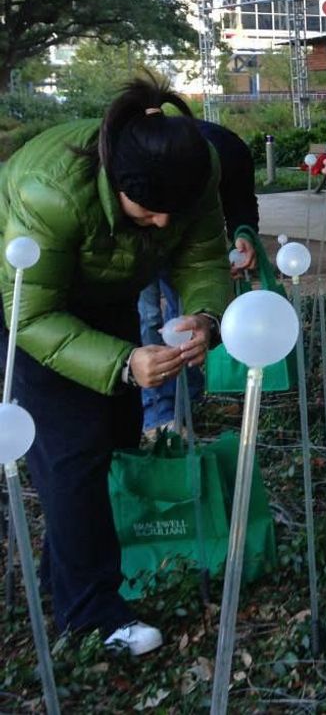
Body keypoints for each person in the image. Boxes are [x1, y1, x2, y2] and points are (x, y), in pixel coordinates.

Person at [0, 74, 233, 655]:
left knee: (116, 431)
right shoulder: (50, 191)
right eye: (149, 211)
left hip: (102, 289)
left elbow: (202, 256)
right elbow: (32, 316)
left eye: (172, 212)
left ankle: (64, 574)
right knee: (71, 448)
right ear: (117, 183)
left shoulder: (192, 167)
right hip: (24, 299)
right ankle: (90, 614)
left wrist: (204, 316)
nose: (164, 224)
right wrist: (125, 363)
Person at [139, 119, 259, 432]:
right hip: (142, 240)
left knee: (189, 320)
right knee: (148, 317)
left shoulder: (232, 153)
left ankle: (189, 399)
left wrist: (242, 235)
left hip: (189, 247)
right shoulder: (160, 156)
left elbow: (243, 203)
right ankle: (157, 413)